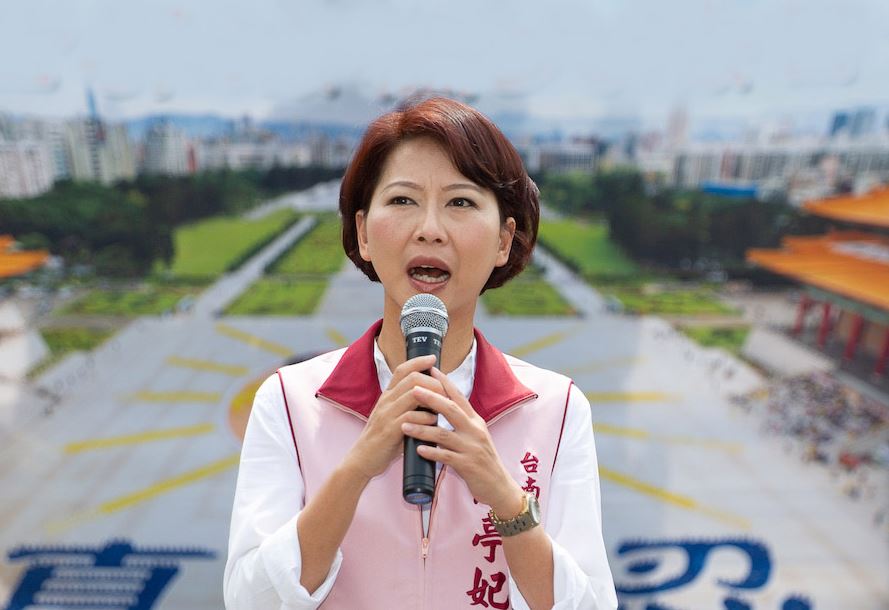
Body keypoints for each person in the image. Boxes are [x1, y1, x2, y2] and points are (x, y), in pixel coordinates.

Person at [224, 96, 617, 609]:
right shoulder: (288, 401)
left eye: (461, 203)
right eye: (403, 200)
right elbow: (249, 600)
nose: (429, 228)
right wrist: (357, 468)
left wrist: (506, 499)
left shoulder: (558, 410)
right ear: (363, 232)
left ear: (504, 240)